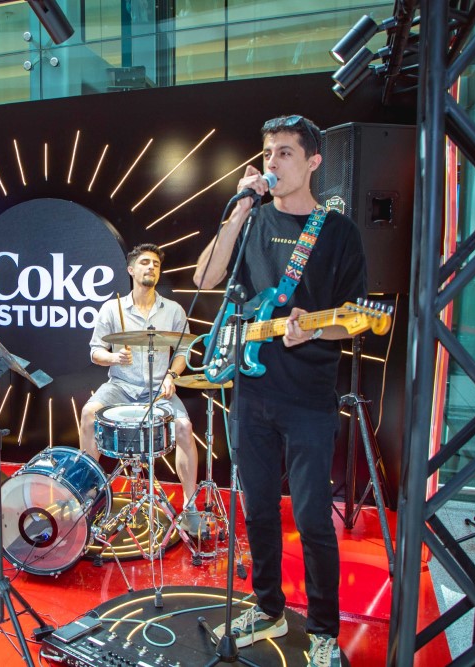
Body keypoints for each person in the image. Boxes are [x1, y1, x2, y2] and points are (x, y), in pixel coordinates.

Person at [193, 115, 366, 667]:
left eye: (285, 153)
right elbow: (205, 279)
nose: (273, 162)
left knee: (313, 519)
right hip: (252, 393)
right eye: (268, 153)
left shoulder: (338, 232)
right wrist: (240, 208)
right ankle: (267, 607)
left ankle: (323, 631)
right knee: (259, 510)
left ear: (313, 162)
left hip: (309, 399)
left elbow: (353, 320)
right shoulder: (252, 220)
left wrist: (313, 329)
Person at [78, 243, 199, 532]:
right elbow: (95, 351)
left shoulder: (173, 310)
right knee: (88, 413)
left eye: (156, 264)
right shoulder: (112, 308)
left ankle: (190, 503)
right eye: (145, 262)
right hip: (121, 385)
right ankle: (88, 492)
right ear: (131, 270)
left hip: (158, 388)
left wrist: (171, 375)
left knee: (184, 427)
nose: (151, 267)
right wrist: (114, 357)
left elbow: (184, 351)